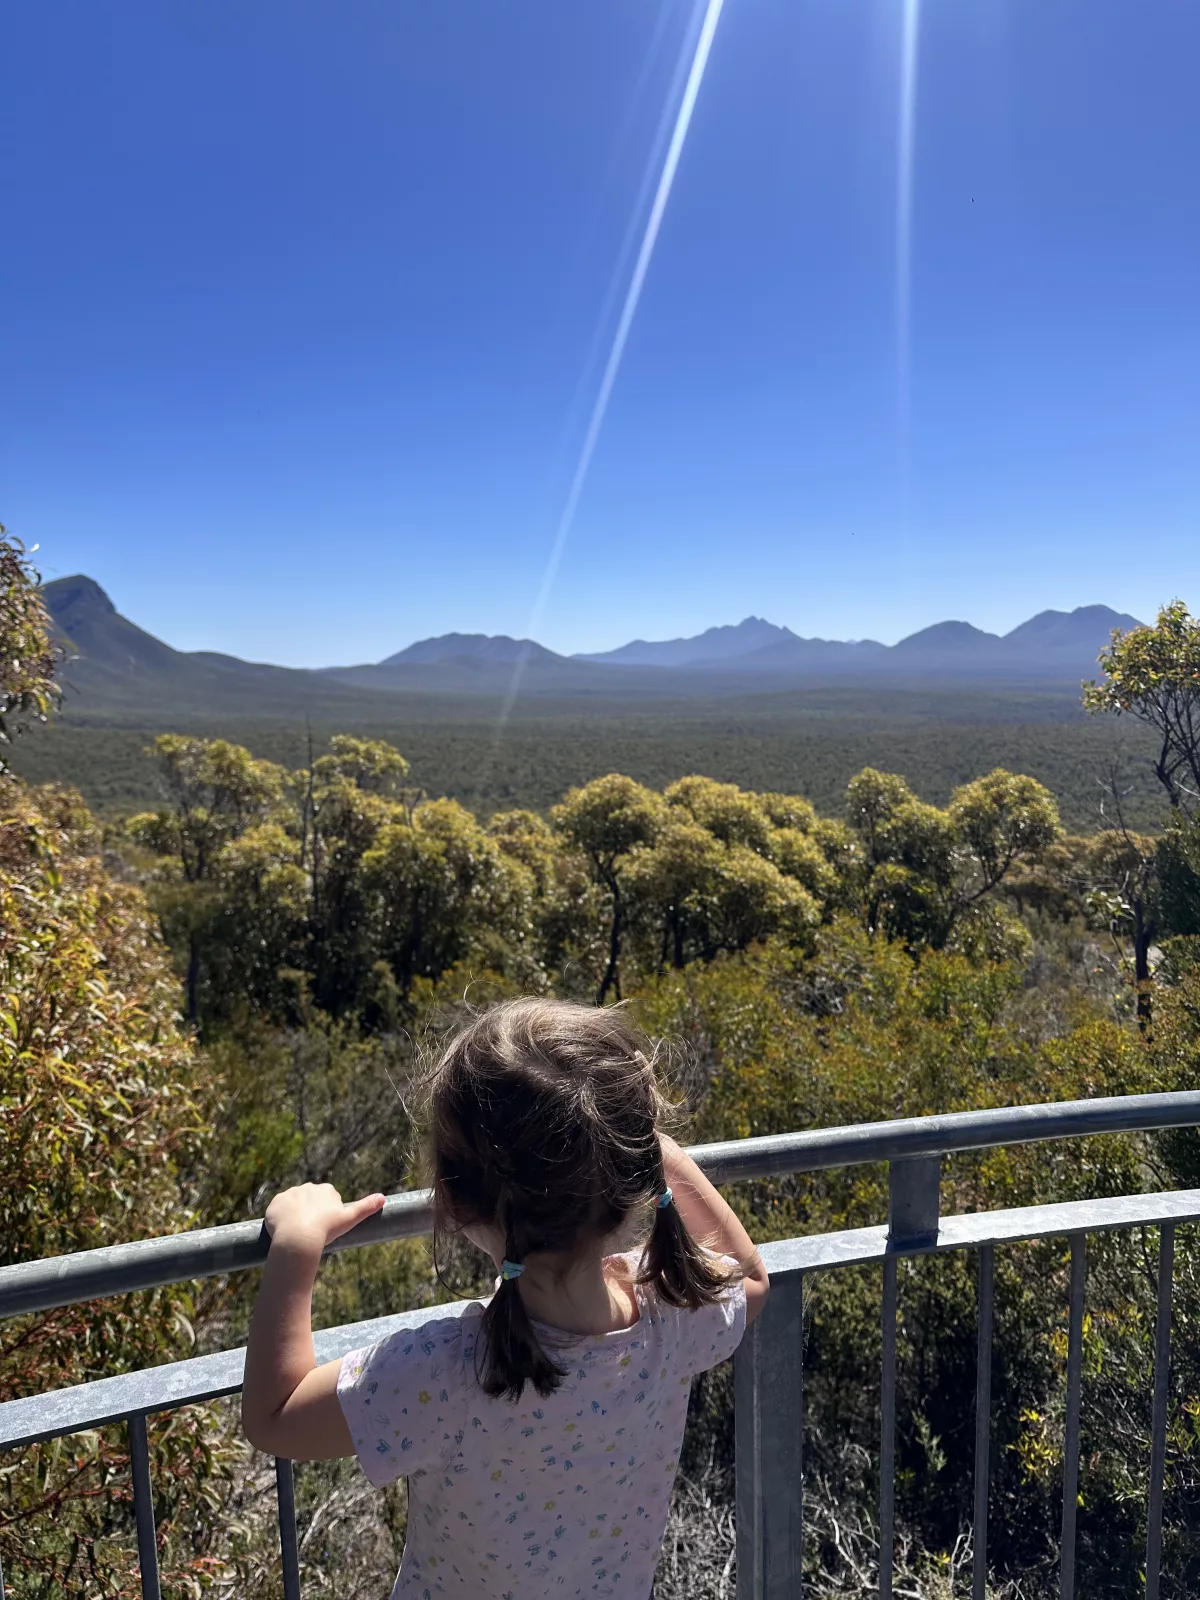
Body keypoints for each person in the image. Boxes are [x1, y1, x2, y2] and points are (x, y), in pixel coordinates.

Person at [242, 998, 769, 1598]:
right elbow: (751, 1280)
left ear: (456, 1204)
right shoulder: (672, 1314)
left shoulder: (444, 1373)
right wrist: (657, 1150)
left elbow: (273, 1417)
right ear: (630, 1178)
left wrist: (296, 1245)